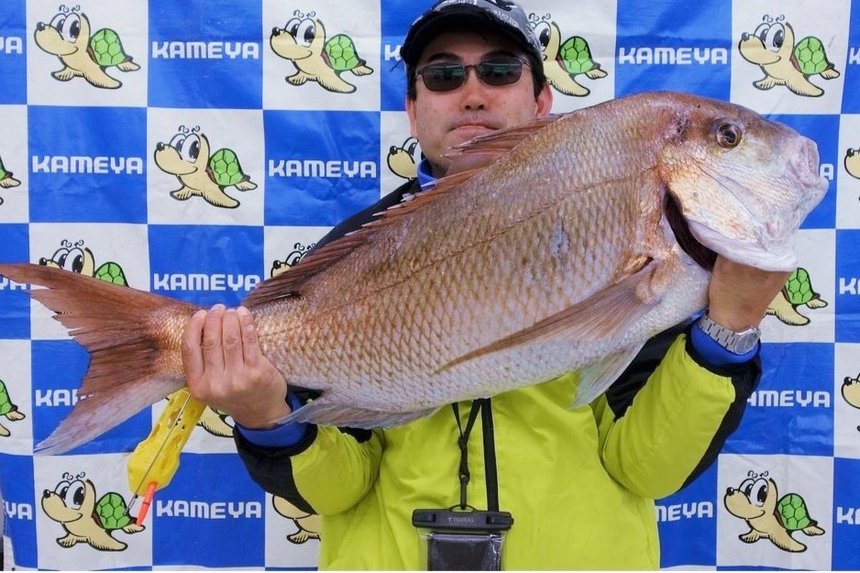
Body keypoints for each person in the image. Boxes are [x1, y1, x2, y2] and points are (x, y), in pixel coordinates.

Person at [182, 0, 788, 568]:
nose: (472, 94)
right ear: (413, 110)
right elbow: (340, 491)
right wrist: (267, 418)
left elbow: (647, 470)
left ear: (543, 100)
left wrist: (725, 333)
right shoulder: (353, 252)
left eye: (499, 70)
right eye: (443, 76)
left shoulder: (631, 234)